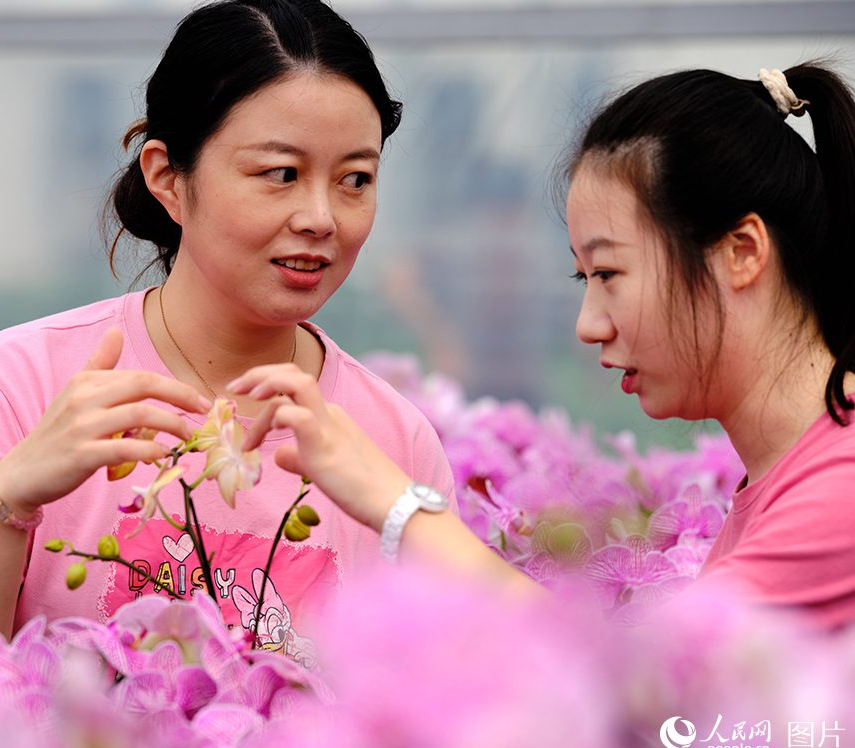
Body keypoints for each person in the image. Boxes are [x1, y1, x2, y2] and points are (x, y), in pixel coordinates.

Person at [0, 0, 457, 652]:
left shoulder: (396, 442)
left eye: (355, 179)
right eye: (280, 174)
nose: (321, 217)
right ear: (167, 179)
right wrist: (9, 498)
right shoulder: (16, 383)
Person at [231, 62, 855, 629]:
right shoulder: (799, 469)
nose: (588, 325)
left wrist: (398, 507)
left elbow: (648, 695)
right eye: (585, 280)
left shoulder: (840, 489)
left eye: (609, 274)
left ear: (741, 254)